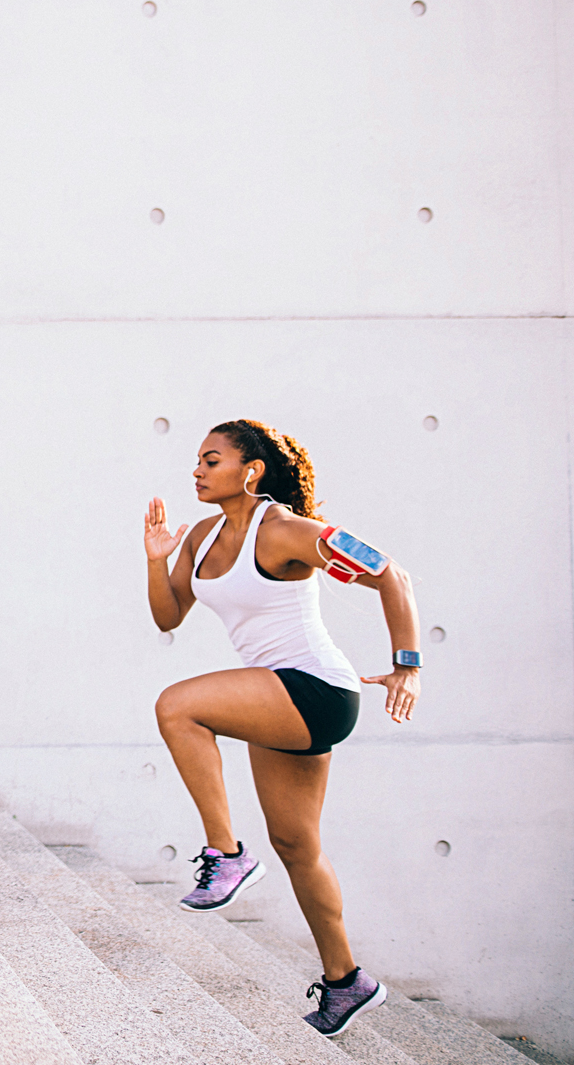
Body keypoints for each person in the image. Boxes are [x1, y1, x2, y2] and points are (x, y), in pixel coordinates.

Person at [143, 419, 422, 1038]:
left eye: (211, 460)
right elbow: (168, 616)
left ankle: (228, 855)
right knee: (298, 848)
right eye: (196, 460)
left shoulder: (287, 531)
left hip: (317, 688)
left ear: (252, 470)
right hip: (274, 698)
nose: (196, 470)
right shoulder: (200, 538)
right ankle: (347, 981)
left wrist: (408, 667)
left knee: (176, 706)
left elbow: (390, 575)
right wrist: (157, 562)